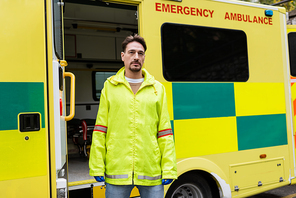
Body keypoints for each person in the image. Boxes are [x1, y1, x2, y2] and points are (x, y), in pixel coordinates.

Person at [89, 34, 177, 198]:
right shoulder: (110, 87)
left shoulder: (157, 88)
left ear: (144, 57)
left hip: (151, 171)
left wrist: (169, 168)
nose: (136, 57)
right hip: (118, 171)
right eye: (131, 52)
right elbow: (100, 129)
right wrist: (97, 165)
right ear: (123, 56)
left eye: (140, 53)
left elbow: (165, 132)